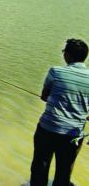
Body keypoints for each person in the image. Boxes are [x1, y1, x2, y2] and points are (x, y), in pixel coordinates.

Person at [30, 38, 89, 186]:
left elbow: (44, 96)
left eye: (64, 52)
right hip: (73, 135)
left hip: (48, 129)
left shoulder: (55, 71)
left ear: (68, 55)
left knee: (40, 169)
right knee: (63, 174)